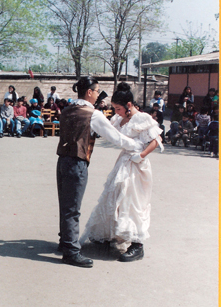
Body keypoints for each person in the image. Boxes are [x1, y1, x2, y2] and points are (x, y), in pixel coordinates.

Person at [55, 76, 141, 268]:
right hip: (77, 163)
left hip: (62, 161)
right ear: (89, 92)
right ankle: (71, 251)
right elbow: (116, 138)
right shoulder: (91, 114)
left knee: (65, 205)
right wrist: (136, 144)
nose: (97, 96)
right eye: (96, 91)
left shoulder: (68, 109)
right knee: (73, 209)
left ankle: (65, 242)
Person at [82, 82, 163, 262]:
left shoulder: (142, 118)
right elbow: (110, 132)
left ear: (128, 105)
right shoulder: (119, 119)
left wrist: (141, 155)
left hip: (137, 165)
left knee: (132, 201)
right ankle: (111, 234)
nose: (116, 112)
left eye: (118, 108)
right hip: (123, 162)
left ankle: (137, 244)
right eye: (114, 109)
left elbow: (156, 139)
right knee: (115, 196)